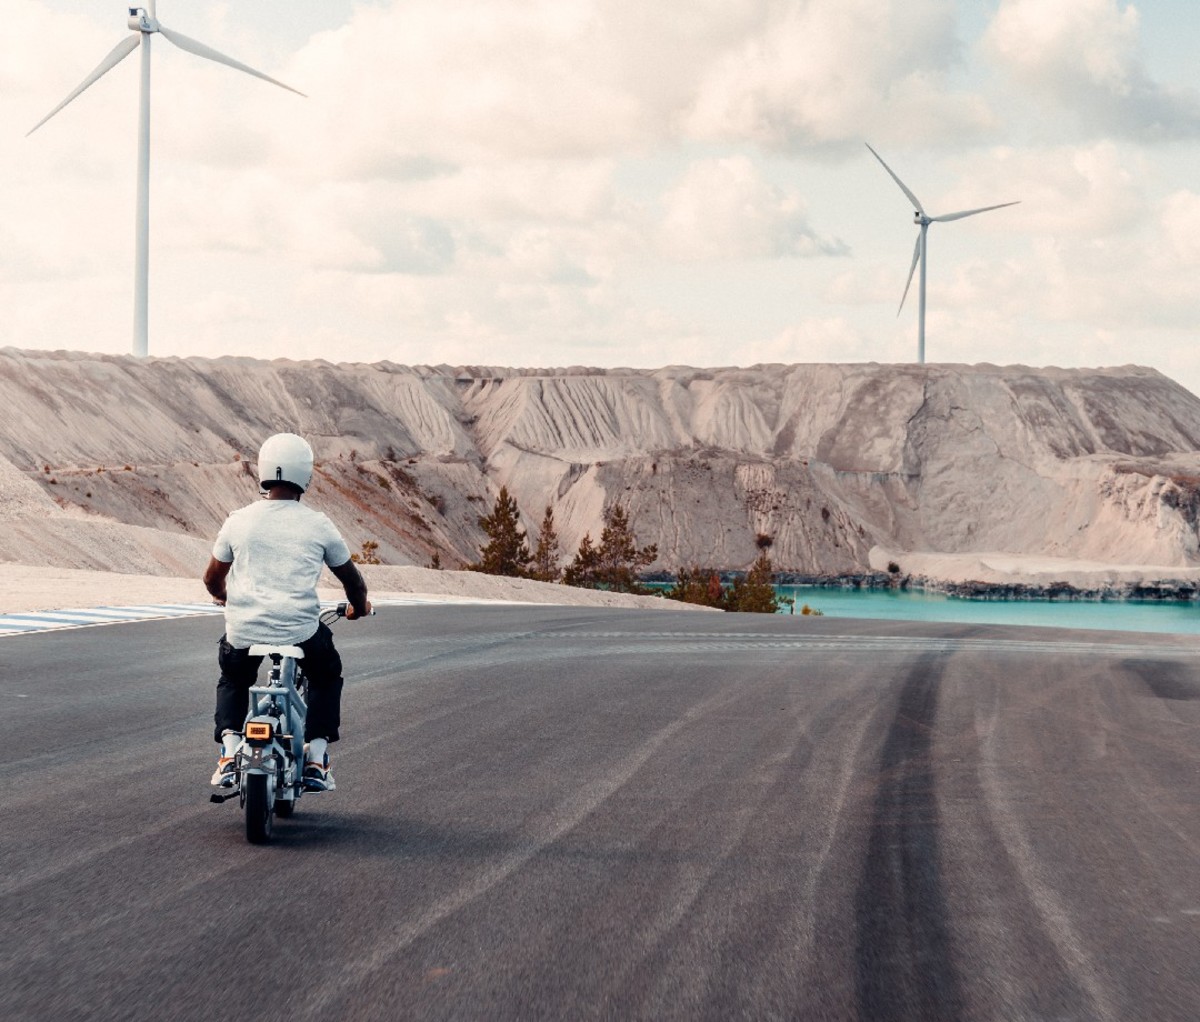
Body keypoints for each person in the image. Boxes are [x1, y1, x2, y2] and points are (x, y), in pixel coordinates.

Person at [203, 432, 371, 791]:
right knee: (326, 675)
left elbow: (212, 578)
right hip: (301, 631)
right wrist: (359, 606)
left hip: (244, 631)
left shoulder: (239, 519)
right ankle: (315, 759)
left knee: (234, 678)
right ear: (306, 476)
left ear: (263, 471)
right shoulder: (318, 524)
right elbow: (353, 581)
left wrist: (224, 597)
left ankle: (230, 751)